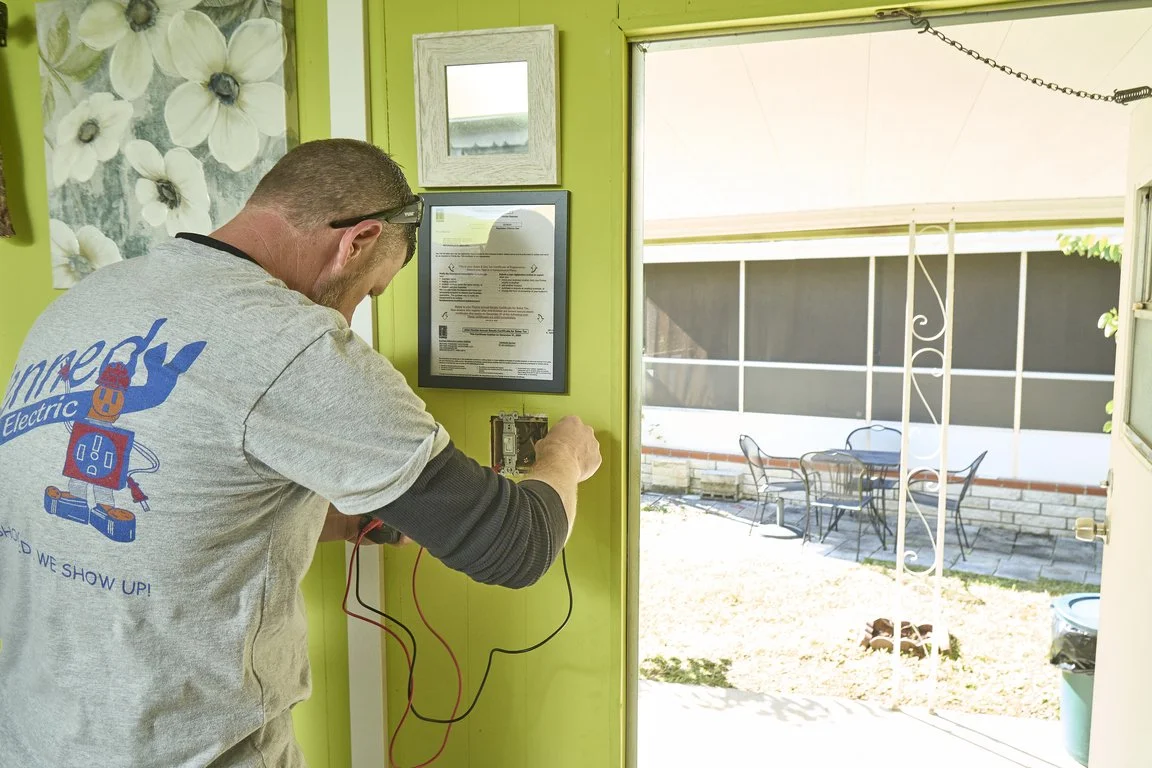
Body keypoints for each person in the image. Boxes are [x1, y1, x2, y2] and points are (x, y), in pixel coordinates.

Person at [0, 139, 601, 767]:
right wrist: (563, 456)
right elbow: (517, 545)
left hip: (33, 737)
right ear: (358, 241)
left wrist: (339, 521)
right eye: (371, 292)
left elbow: (142, 507)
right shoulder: (294, 344)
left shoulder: (90, 302)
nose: (356, 315)